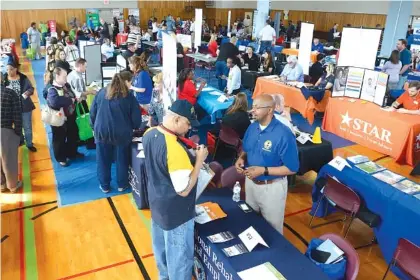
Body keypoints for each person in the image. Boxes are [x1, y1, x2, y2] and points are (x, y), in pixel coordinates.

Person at [143, 99, 207, 280]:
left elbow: (160, 165)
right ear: (177, 120)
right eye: (188, 123)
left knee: (162, 257)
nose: (189, 129)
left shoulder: (150, 133)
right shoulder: (174, 148)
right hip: (176, 214)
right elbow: (185, 190)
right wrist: (199, 161)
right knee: (179, 262)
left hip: (157, 206)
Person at [235, 94, 299, 234]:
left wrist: (263, 170)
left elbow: (292, 168)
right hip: (251, 183)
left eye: (257, 108)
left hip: (272, 188)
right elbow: (246, 149)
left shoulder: (284, 134)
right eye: (253, 107)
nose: (253, 111)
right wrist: (241, 159)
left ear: (270, 110)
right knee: (250, 221)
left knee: (273, 230)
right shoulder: (252, 128)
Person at [90, 71, 142, 193]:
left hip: (102, 131)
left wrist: (94, 127)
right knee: (121, 159)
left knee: (102, 160)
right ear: (126, 82)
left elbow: (93, 112)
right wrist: (134, 127)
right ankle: (122, 184)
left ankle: (104, 185)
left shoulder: (102, 92)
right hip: (122, 134)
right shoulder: (129, 97)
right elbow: (136, 120)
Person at [46, 67, 83, 167]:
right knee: (59, 139)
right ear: (57, 76)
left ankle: (72, 153)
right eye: (64, 76)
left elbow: (71, 94)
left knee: (73, 135)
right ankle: (61, 158)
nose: (66, 78)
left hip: (70, 116)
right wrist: (70, 100)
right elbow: (55, 102)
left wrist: (75, 98)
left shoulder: (66, 85)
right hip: (58, 118)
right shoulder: (51, 88)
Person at [4, 60, 37, 152]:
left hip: (25, 107)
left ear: (15, 69)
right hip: (12, 109)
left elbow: (31, 89)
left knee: (27, 127)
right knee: (17, 126)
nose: (8, 72)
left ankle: (29, 144)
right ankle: (20, 141)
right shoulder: (4, 79)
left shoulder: (23, 78)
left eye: (11, 69)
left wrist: (25, 94)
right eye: (7, 69)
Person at [1, 79, 23, 193]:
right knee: (9, 160)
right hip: (6, 130)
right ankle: (13, 186)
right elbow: (17, 115)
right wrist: (18, 133)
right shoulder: (10, 93)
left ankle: (1, 184)